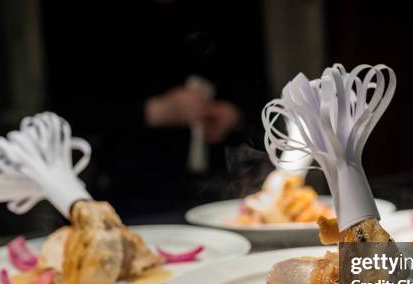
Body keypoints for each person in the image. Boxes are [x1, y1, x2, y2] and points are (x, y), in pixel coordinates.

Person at [42, 0, 267, 217]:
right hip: (128, 188)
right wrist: (153, 112)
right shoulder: (88, 15)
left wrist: (233, 115)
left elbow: (258, 92)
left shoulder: (226, 10)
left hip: (220, 181)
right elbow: (69, 112)